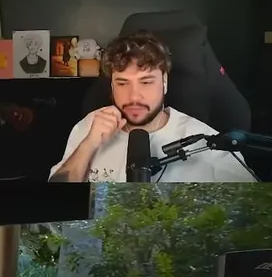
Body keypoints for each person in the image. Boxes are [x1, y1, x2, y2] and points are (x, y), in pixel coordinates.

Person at [49, 31, 256, 183]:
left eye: (146, 82)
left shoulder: (205, 141)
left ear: (164, 82)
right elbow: (56, 202)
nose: (134, 96)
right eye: (122, 83)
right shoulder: (89, 127)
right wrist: (89, 144)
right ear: (111, 85)